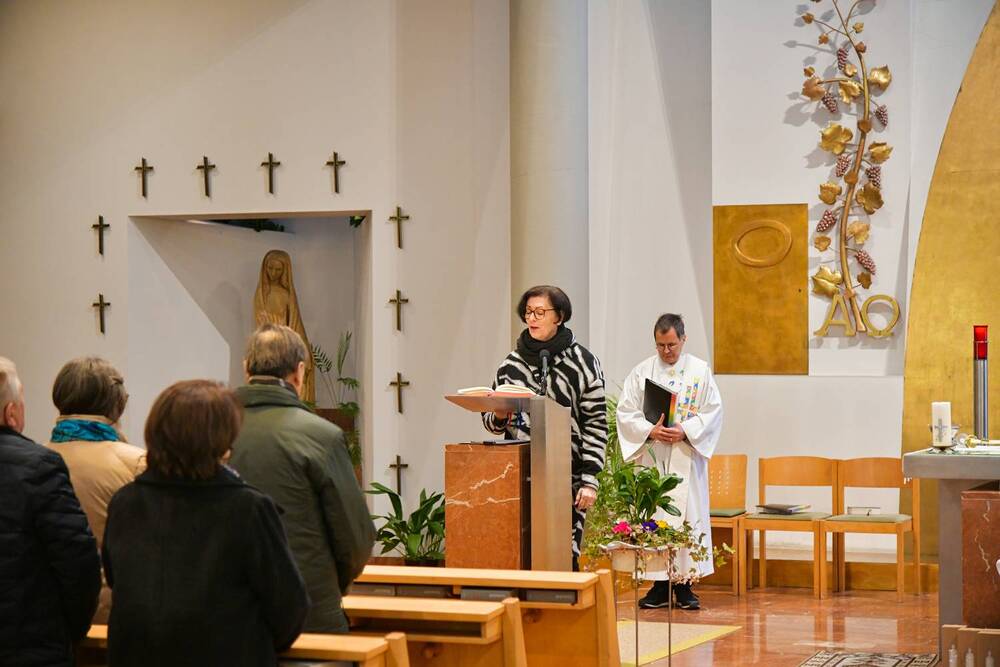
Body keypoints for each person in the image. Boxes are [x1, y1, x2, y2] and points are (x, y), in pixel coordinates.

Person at [102, 380, 308, 667]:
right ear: (221, 441)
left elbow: (117, 580)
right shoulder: (248, 509)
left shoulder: (126, 502)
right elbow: (288, 607)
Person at [230, 323, 375, 633]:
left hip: (230, 617)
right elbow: (356, 539)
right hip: (307, 612)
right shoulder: (321, 436)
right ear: (299, 373)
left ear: (245, 369)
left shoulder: (214, 432)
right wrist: (328, 585)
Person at [482, 285, 607, 569]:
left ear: (559, 317)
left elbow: (596, 424)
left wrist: (590, 479)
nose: (532, 318)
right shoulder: (511, 365)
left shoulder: (583, 363)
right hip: (517, 476)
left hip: (568, 477)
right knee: (518, 553)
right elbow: (491, 422)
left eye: (540, 312)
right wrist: (498, 416)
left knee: (563, 556)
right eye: (528, 312)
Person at [617, 313, 723, 610]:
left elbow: (713, 411)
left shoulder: (699, 371)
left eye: (672, 345)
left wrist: (685, 430)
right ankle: (659, 587)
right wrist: (650, 430)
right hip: (654, 456)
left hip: (685, 455)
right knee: (655, 515)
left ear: (683, 339)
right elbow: (626, 412)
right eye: (661, 345)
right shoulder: (642, 372)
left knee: (688, 518)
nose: (666, 351)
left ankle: (685, 586)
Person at [0, 357, 101, 667]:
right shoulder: (39, 466)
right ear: (11, 413)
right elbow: (78, 564)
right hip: (27, 647)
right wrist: (68, 632)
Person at [46, 356, 145, 623]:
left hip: (49, 611)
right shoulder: (137, 463)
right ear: (118, 405)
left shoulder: (34, 459)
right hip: (112, 610)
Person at [253, 249, 315, 403]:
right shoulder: (260, 295)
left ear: (284, 271)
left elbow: (295, 322)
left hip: (285, 347)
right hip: (266, 347)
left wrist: (302, 349)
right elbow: (260, 323)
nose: (273, 273)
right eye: (270, 268)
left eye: (278, 269)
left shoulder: (286, 295)